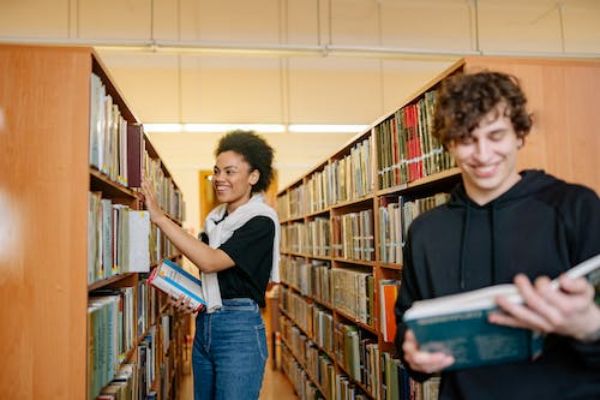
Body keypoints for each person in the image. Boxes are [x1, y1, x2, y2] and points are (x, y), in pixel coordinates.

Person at [394, 71, 600, 399]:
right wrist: (413, 353)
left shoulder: (576, 207)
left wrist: (590, 327)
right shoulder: (425, 231)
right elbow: (407, 323)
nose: (483, 154)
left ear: (519, 134)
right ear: (449, 144)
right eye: (466, 139)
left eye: (496, 135)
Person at [141, 130, 279, 400]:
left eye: (230, 172)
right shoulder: (215, 220)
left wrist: (159, 218)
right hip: (205, 324)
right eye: (216, 171)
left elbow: (210, 261)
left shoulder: (261, 221)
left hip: (238, 329)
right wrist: (194, 296)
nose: (219, 179)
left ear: (253, 177)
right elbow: (218, 279)